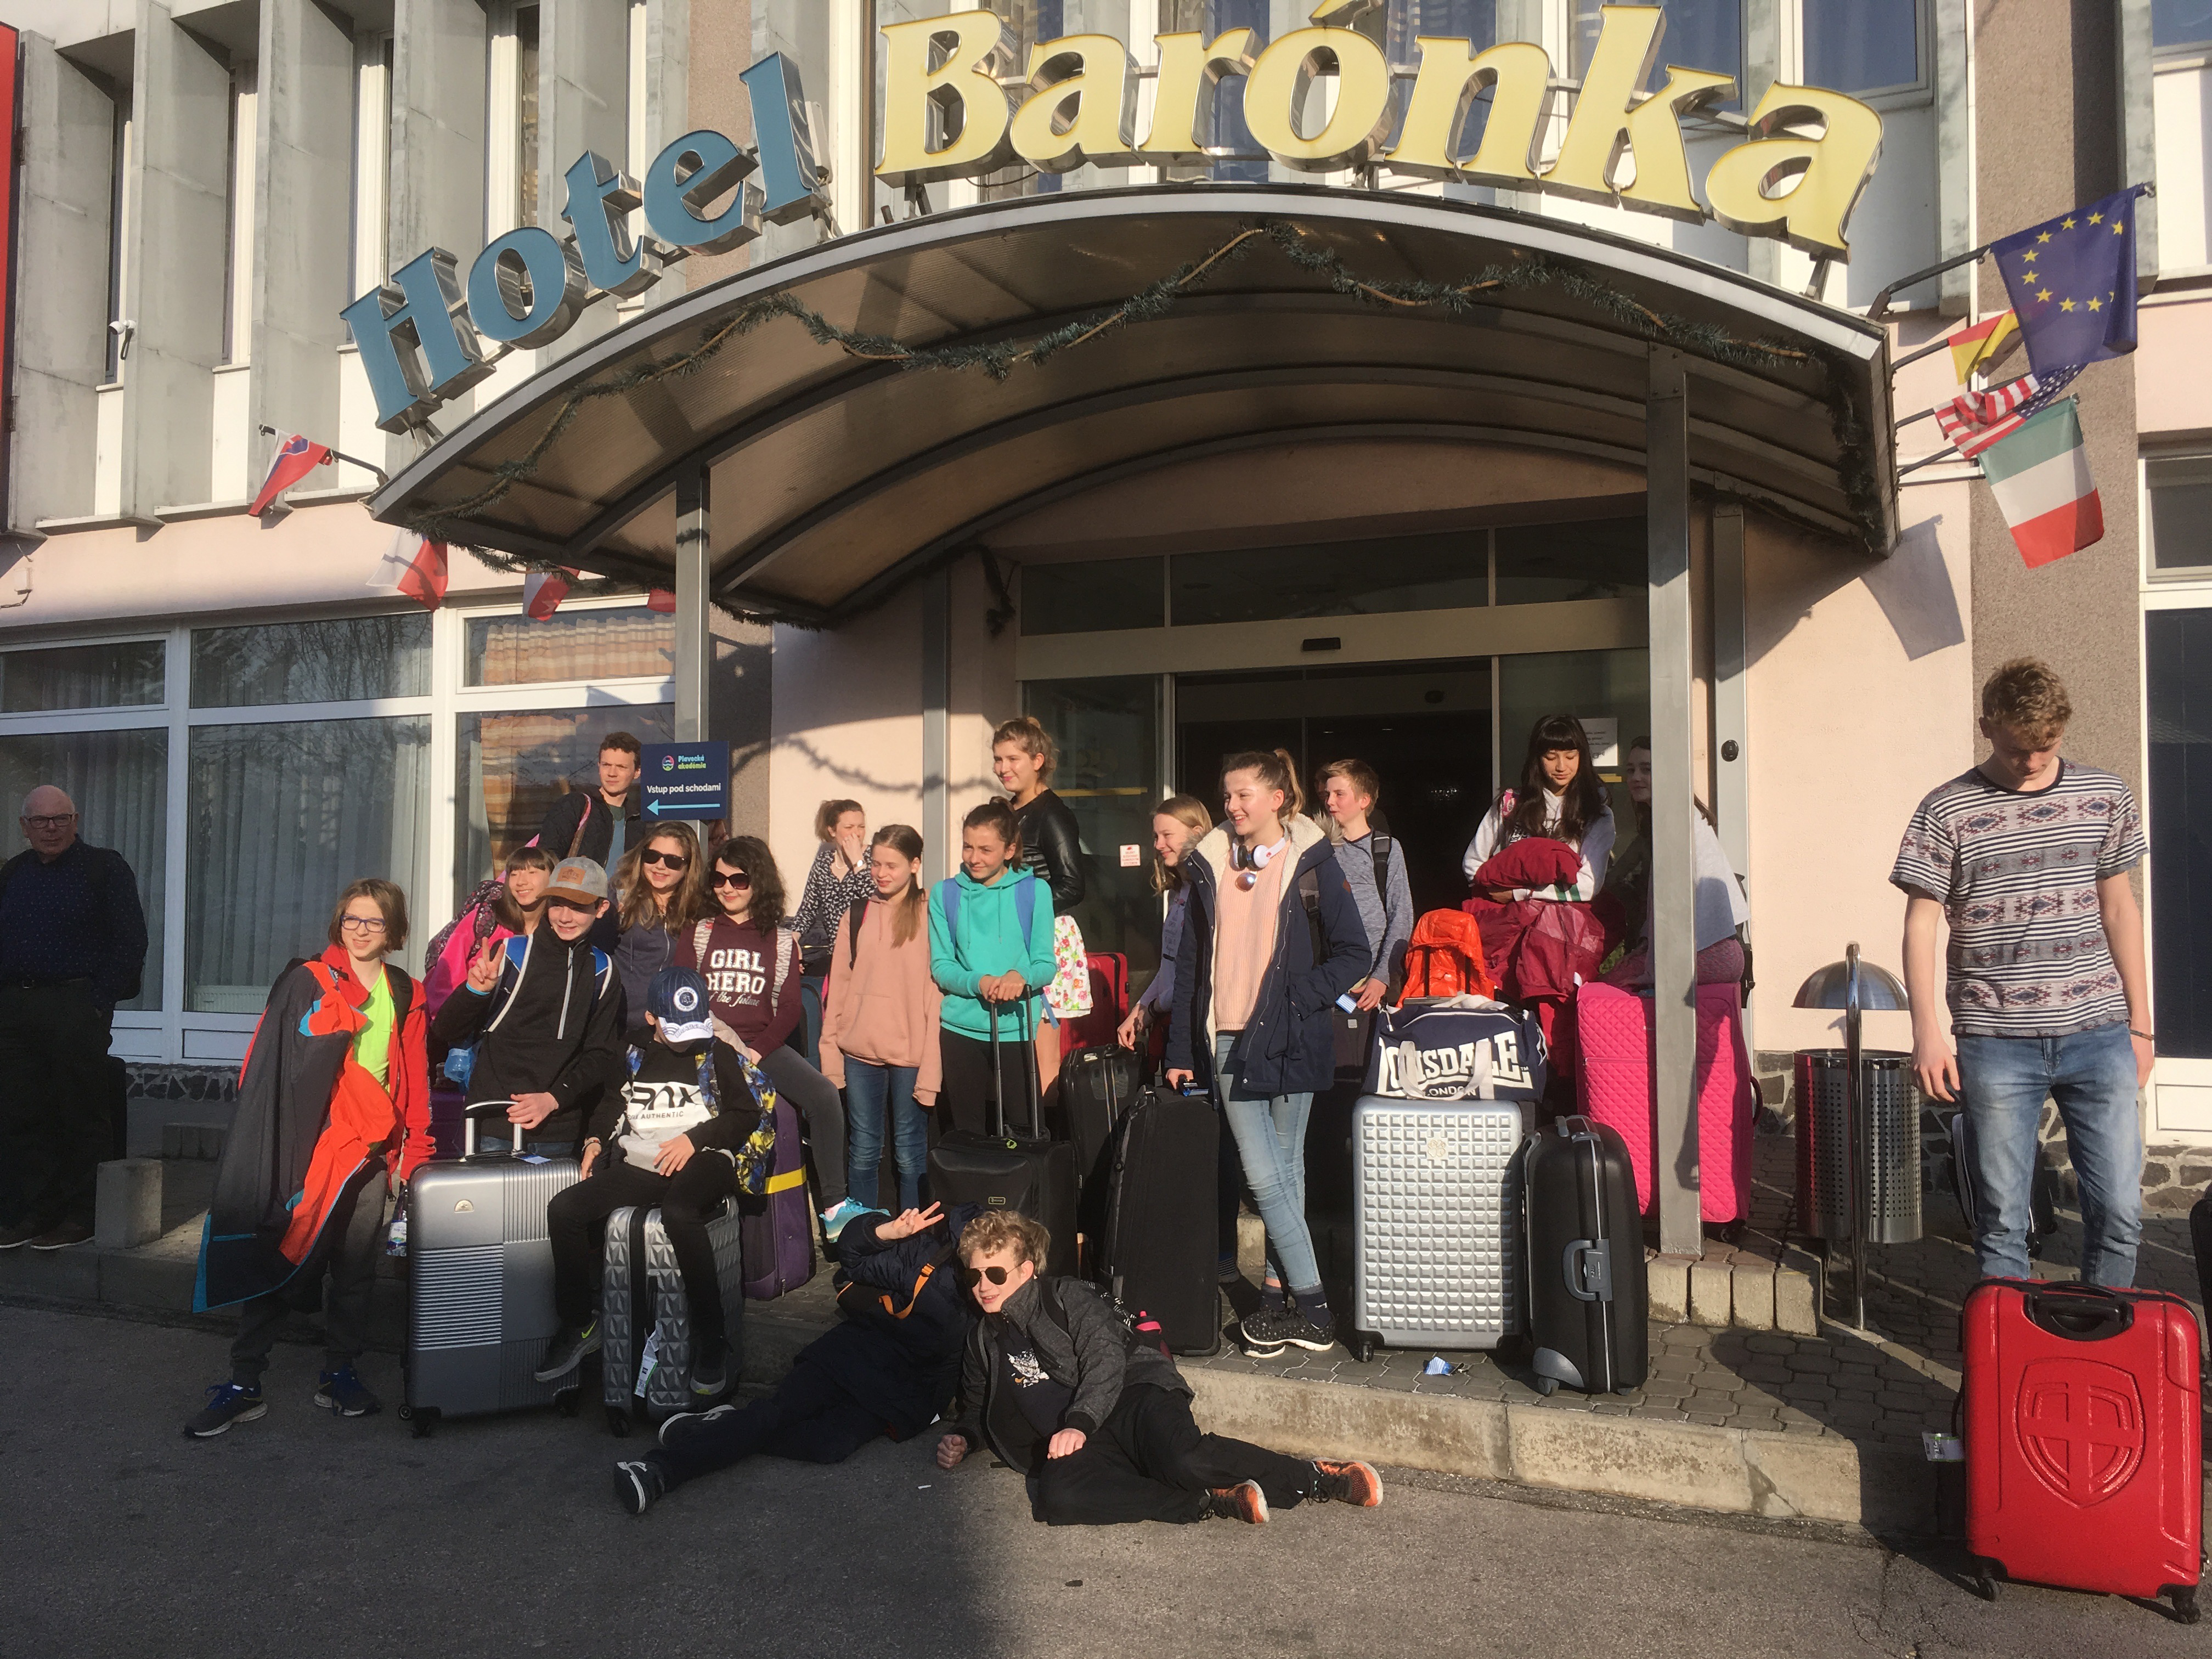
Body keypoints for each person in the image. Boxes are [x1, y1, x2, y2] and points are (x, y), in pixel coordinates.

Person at [1894, 658, 2150, 1287]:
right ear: (1987, 727)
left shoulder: (2105, 795)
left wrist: (2142, 1025)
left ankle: (2101, 1348)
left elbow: (2120, 907)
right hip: (1994, 1041)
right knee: (2003, 1220)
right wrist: (1927, 1030)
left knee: (2119, 1211)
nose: (2033, 761)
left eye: (2047, 746)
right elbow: (1920, 923)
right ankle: (2007, 1366)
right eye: (2017, 749)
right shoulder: (1945, 809)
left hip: (2100, 1033)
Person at [933, 1210, 1383, 1526]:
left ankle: (1317, 1477)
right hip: (1080, 1437)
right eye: (974, 1276)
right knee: (1059, 1499)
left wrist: (1079, 1423)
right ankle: (1204, 1502)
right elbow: (975, 1403)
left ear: (1027, 1270)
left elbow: (1105, 1358)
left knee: (1182, 1458)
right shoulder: (982, 1339)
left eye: (995, 1274)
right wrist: (965, 1436)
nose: (983, 1287)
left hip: (1132, 1393)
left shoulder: (1065, 1297)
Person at [185, 879, 431, 1435]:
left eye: (373, 922)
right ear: (337, 922)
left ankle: (339, 1373)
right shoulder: (309, 980)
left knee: (355, 1270)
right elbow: (265, 1067)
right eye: (352, 920)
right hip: (308, 1147)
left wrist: (413, 1157)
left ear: (394, 930)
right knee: (280, 1253)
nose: (361, 931)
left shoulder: (407, 992)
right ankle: (245, 1382)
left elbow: (413, 1080)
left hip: (369, 1155)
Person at [1165, 750, 1368, 1357]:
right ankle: (1313, 1303)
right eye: (1227, 796)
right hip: (1230, 1035)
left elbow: (1354, 953)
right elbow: (1191, 966)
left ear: (1278, 798)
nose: (1231, 807)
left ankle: (1283, 1299)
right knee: (1266, 1173)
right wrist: (1180, 1045)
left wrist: (1295, 999)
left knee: (1284, 1172)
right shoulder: (1207, 865)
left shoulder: (1313, 863)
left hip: (1293, 1032)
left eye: (1244, 795)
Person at [612, 1199, 980, 1516]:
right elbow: (851, 1257)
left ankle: (721, 1427)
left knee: (828, 1447)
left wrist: (963, 1432)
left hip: (900, 1391)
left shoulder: (1003, 1296)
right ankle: (659, 1471)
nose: (984, 1278)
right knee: (775, 1415)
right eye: (975, 1254)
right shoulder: (930, 1258)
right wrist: (886, 1232)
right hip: (854, 1353)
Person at [535, 967, 765, 1389]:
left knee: (680, 1212)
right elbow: (610, 1103)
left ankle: (711, 1337)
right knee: (565, 1209)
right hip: (644, 1162)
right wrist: (593, 1141)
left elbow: (745, 1115)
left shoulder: (717, 1051)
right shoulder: (632, 1051)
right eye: (673, 1028)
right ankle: (581, 1323)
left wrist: (695, 1140)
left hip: (707, 1158)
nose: (685, 1038)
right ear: (651, 1019)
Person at [676, 836, 860, 1239]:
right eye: (719, 880)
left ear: (758, 882)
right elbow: (683, 997)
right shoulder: (699, 933)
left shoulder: (780, 939)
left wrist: (755, 1053)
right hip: (708, 1047)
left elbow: (790, 1010)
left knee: (824, 1096)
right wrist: (724, 1050)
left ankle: (834, 1206)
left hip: (763, 1047)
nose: (727, 888)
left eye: (738, 880)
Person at [0, 785, 149, 1250]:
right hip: (16, 1006)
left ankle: (82, 1212)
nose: (51, 828)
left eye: (60, 819)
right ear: (24, 827)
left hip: (74, 1004)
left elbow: (130, 941)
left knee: (80, 1110)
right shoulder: (13, 874)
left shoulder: (104, 868)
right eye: (41, 821)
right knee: (22, 1113)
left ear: (76, 821)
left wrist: (98, 1000)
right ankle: (34, 1211)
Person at [429, 856, 624, 1154]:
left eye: (579, 907)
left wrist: (553, 1099)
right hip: (493, 1124)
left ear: (601, 909)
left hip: (561, 1129)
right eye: (557, 904)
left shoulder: (604, 971)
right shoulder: (509, 953)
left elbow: (600, 1055)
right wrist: (475, 992)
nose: (565, 916)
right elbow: (446, 1029)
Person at [819, 825, 941, 1214]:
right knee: (863, 1150)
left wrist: (932, 1071)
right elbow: (837, 989)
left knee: (909, 1154)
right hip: (859, 1053)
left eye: (892, 865)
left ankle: (912, 1239)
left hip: (912, 1055)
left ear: (915, 864)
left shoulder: (931, 914)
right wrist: (830, 1057)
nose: (882, 873)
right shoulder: (857, 914)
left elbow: (936, 996)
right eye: (875, 863)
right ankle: (864, 1238)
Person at [929, 800, 1057, 1138]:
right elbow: (941, 966)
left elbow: (1046, 964)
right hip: (960, 1030)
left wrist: (1021, 977)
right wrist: (978, 982)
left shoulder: (1034, 891)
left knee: (1022, 1135)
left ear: (1010, 848)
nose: (974, 858)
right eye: (968, 847)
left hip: (1015, 1030)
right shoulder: (945, 893)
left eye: (986, 849)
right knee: (967, 1136)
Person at [1600, 740, 1748, 988]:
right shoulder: (1677, 815)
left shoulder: (1677, 820)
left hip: (1705, 955)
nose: (1636, 777)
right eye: (1631, 770)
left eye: (1647, 769)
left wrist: (1653, 971)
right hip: (1717, 953)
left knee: (1607, 987)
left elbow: (1673, 904)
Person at [992, 716, 1089, 1091]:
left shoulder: (1053, 814)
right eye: (998, 759)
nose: (1003, 769)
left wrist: (1026, 913)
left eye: (1012, 759)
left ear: (1037, 760)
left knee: (1041, 1058)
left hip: (1043, 939)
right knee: (1013, 1054)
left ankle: (1046, 1142)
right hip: (1011, 939)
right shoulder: (1009, 812)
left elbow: (1073, 886)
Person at [1462, 714, 1617, 900]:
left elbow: (1588, 886)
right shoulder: (1511, 804)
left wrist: (1518, 894)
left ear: (1582, 758)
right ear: (1537, 759)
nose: (1561, 766)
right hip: (1510, 923)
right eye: (1551, 757)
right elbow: (1473, 863)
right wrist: (1493, 891)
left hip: (1565, 925)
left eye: (1570, 757)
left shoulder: (1596, 814)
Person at [1115, 795, 1212, 1052]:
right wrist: (1140, 1009)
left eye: (1167, 835)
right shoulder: (1177, 891)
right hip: (1171, 1017)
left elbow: (1196, 973)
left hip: (1196, 1025)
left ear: (1197, 833)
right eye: (1156, 837)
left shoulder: (1208, 894)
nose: (1159, 845)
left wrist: (1155, 1007)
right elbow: (1169, 965)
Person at [1316, 760, 1412, 1013]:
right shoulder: (1317, 850)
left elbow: (1400, 915)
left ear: (1364, 801)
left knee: (1369, 1044)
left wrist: (1383, 977)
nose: (1330, 802)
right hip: (1329, 980)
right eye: (1327, 794)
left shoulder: (1386, 848)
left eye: (1339, 794)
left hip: (1373, 982)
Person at [423, 844, 556, 1018]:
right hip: (465, 1026)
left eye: (532, 873)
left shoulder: (556, 929)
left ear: (553, 877)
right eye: (514, 874)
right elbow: (447, 972)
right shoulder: (486, 917)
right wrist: (445, 1023)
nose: (521, 881)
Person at [611, 822, 710, 1043]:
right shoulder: (619, 896)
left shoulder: (698, 909)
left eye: (673, 861)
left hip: (671, 1025)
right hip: (618, 1020)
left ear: (688, 868)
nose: (660, 866)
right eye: (652, 856)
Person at [791, 799, 872, 1067]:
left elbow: (875, 901)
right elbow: (807, 910)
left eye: (861, 826)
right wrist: (792, 941)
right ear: (832, 831)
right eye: (849, 827)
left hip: (869, 957)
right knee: (834, 1021)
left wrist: (859, 863)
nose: (857, 833)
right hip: (838, 959)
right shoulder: (824, 863)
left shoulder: (871, 860)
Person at [534, 731, 645, 871]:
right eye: (606, 765)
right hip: (572, 892)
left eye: (621, 767)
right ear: (599, 766)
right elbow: (546, 859)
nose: (612, 773)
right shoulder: (576, 805)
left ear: (637, 772)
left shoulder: (637, 821)